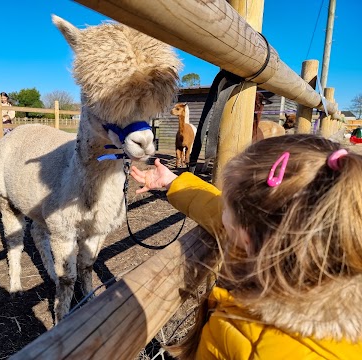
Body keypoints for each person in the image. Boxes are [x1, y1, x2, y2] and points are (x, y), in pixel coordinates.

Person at [131, 134, 362, 359]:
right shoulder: (320, 252)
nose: (222, 212)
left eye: (227, 208)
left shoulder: (239, 336)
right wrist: (174, 182)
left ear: (248, 234)